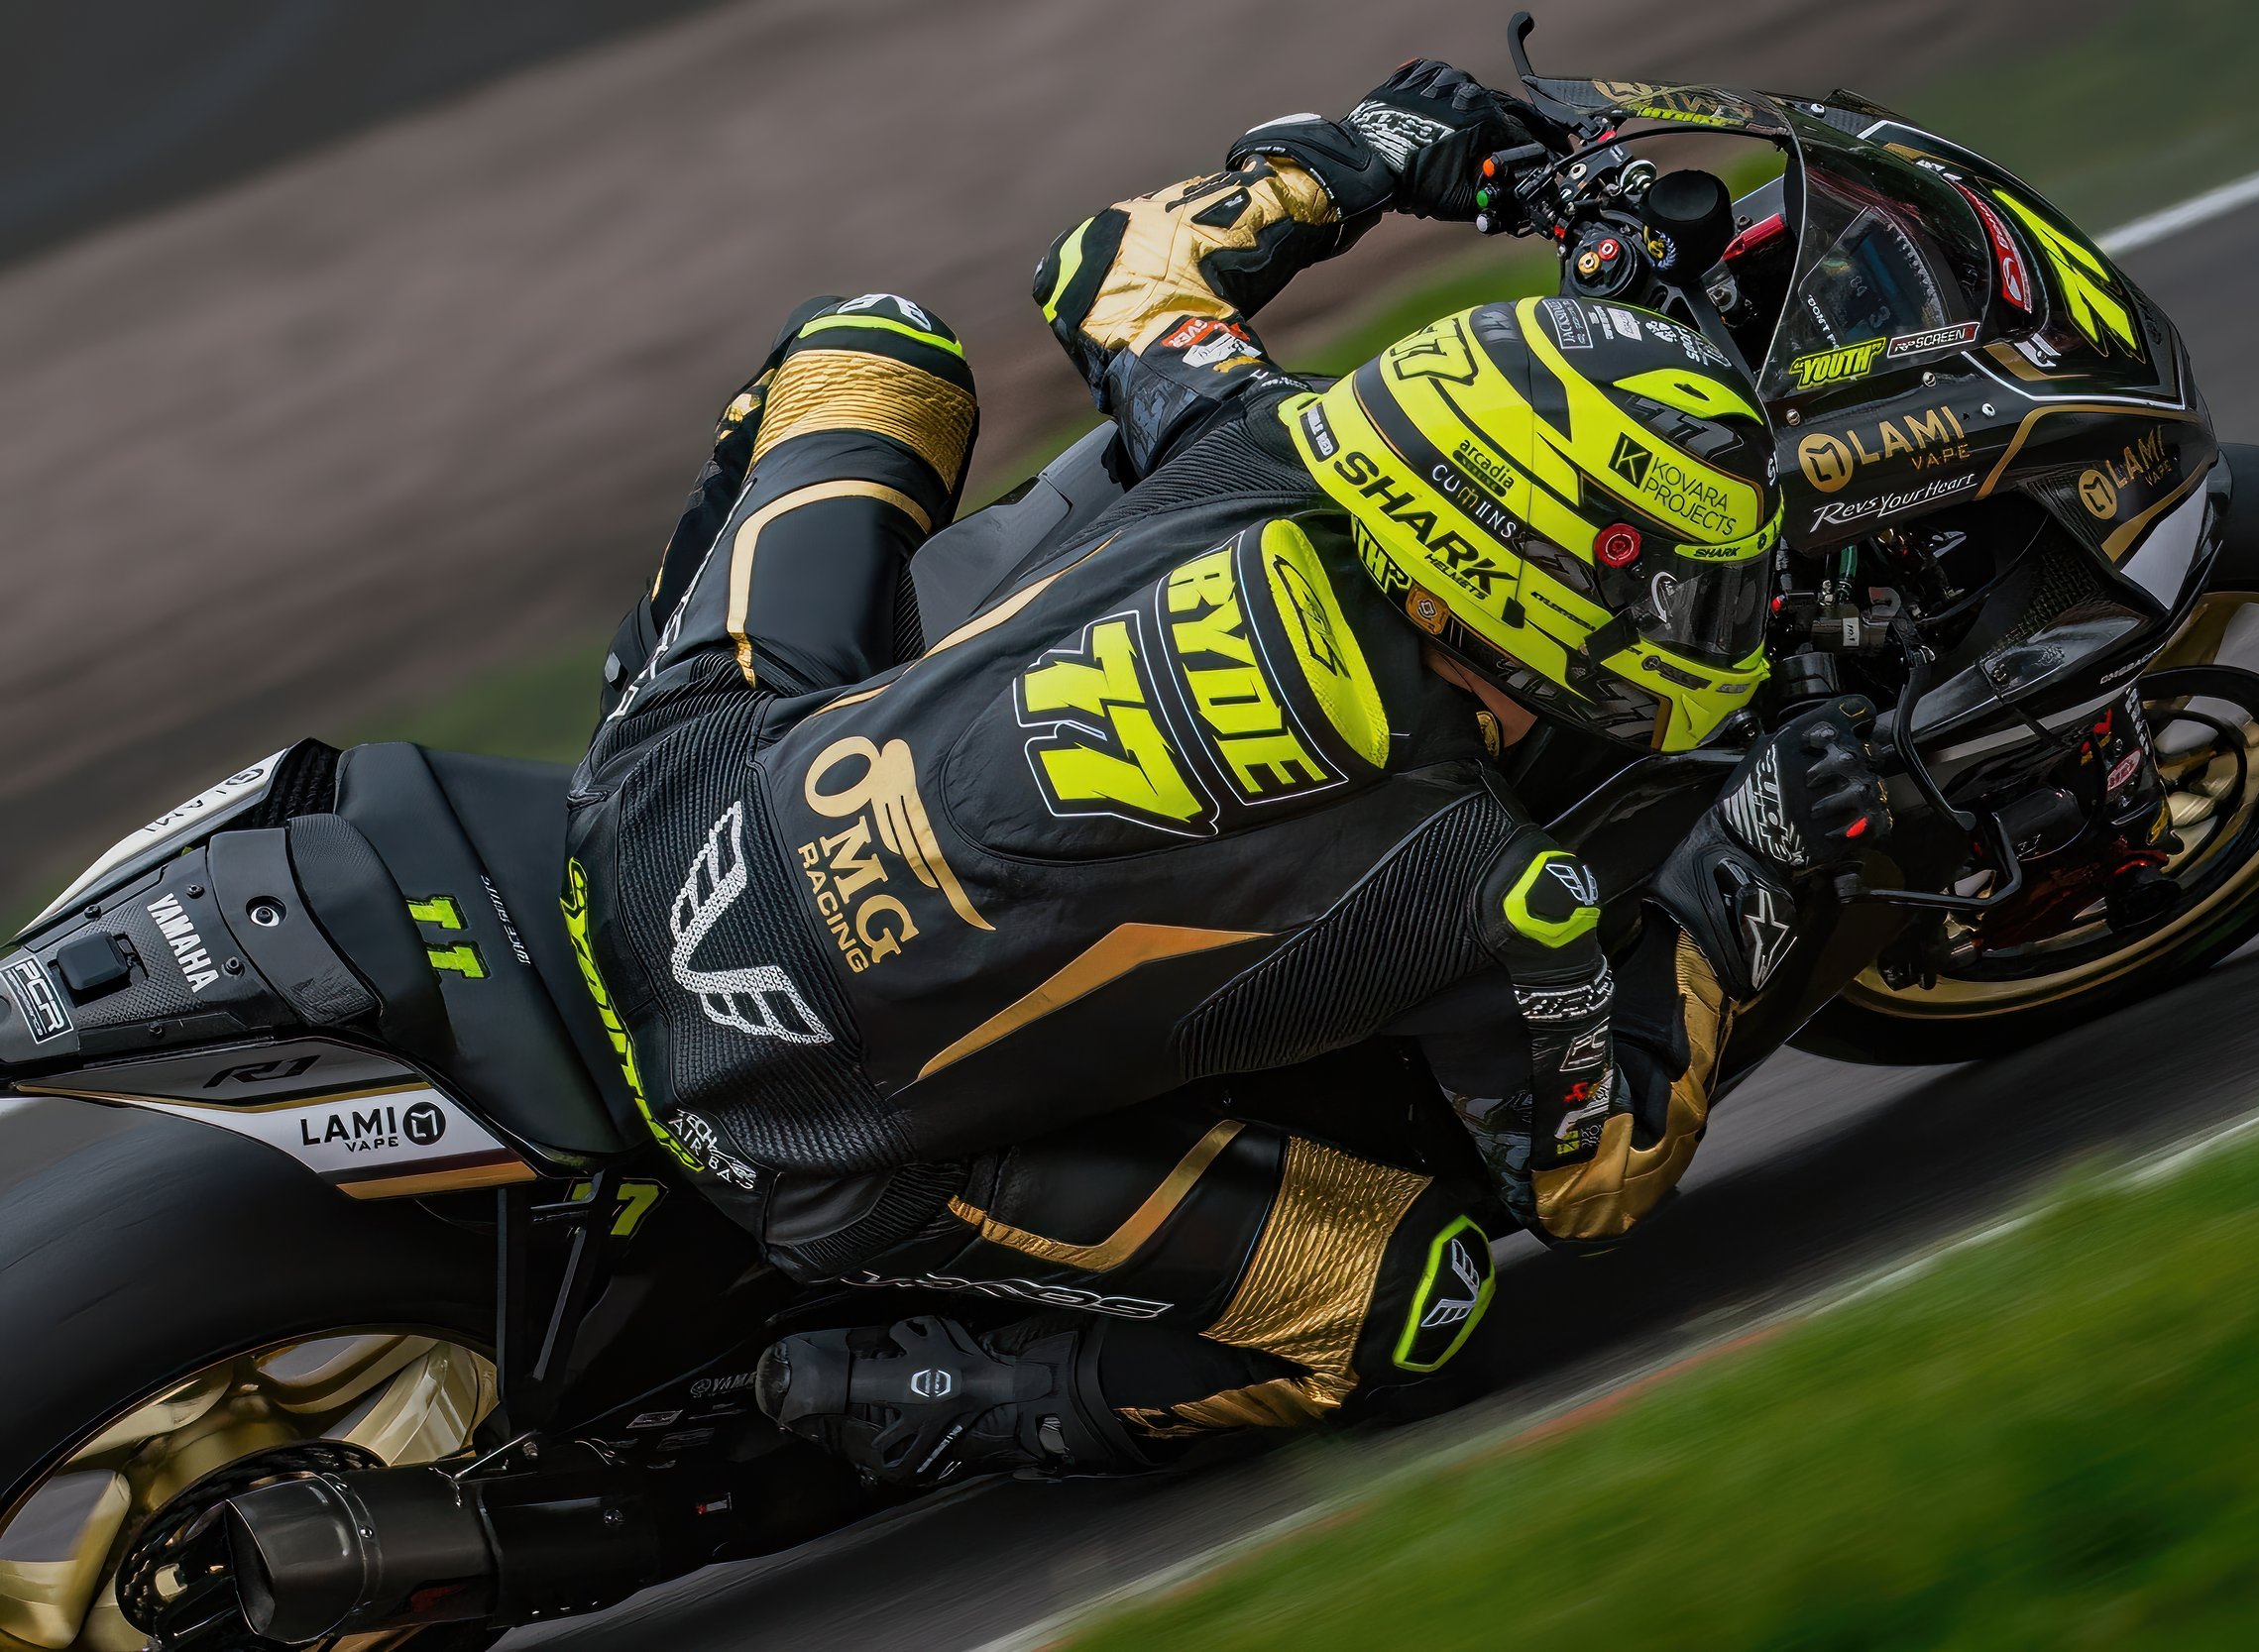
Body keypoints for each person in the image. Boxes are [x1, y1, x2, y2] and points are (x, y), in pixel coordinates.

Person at [567, 59, 1888, 1487]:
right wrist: (1758, 856)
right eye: (1685, 591)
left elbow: (1113, 262)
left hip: (667, 798)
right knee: (1412, 1296)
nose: (1715, 613)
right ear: (1529, 593)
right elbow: (1593, 1182)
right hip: (804, 1138)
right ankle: (933, 1395)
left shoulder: (1251, 445)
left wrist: (1375, 157)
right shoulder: (1482, 884)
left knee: (871, 345)